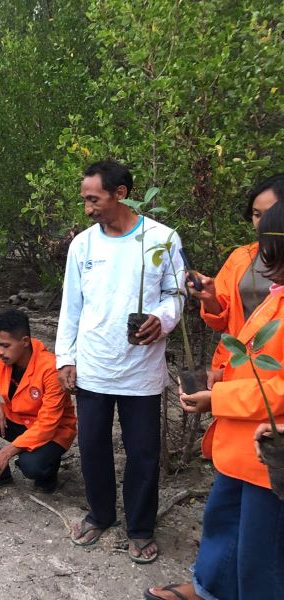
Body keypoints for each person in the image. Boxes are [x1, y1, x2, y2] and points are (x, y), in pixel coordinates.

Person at [145, 200, 284, 600]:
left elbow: (278, 388)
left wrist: (217, 398)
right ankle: (210, 588)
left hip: (268, 449)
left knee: (262, 548)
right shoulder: (273, 295)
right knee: (225, 519)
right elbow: (237, 334)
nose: (261, 259)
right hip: (240, 442)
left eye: (269, 251)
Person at [56, 160, 183, 564]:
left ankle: (140, 527)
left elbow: (176, 294)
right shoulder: (83, 246)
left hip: (141, 369)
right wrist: (66, 358)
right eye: (85, 200)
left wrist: (162, 320)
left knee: (143, 451)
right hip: (94, 364)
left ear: (121, 194)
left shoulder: (161, 239)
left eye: (94, 199)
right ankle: (101, 514)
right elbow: (71, 306)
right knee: (93, 446)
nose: (87, 208)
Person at [0, 309, 76, 495]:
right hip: (17, 420)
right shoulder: (1, 355)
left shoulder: (50, 369)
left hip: (51, 432)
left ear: (25, 342)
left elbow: (47, 424)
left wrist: (5, 453)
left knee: (32, 466)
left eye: (5, 345)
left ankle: (49, 470)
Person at [191, 174, 282, 369]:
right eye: (257, 214)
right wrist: (209, 298)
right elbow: (221, 322)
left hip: (274, 365)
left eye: (270, 214)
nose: (261, 223)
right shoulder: (242, 257)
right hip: (237, 361)